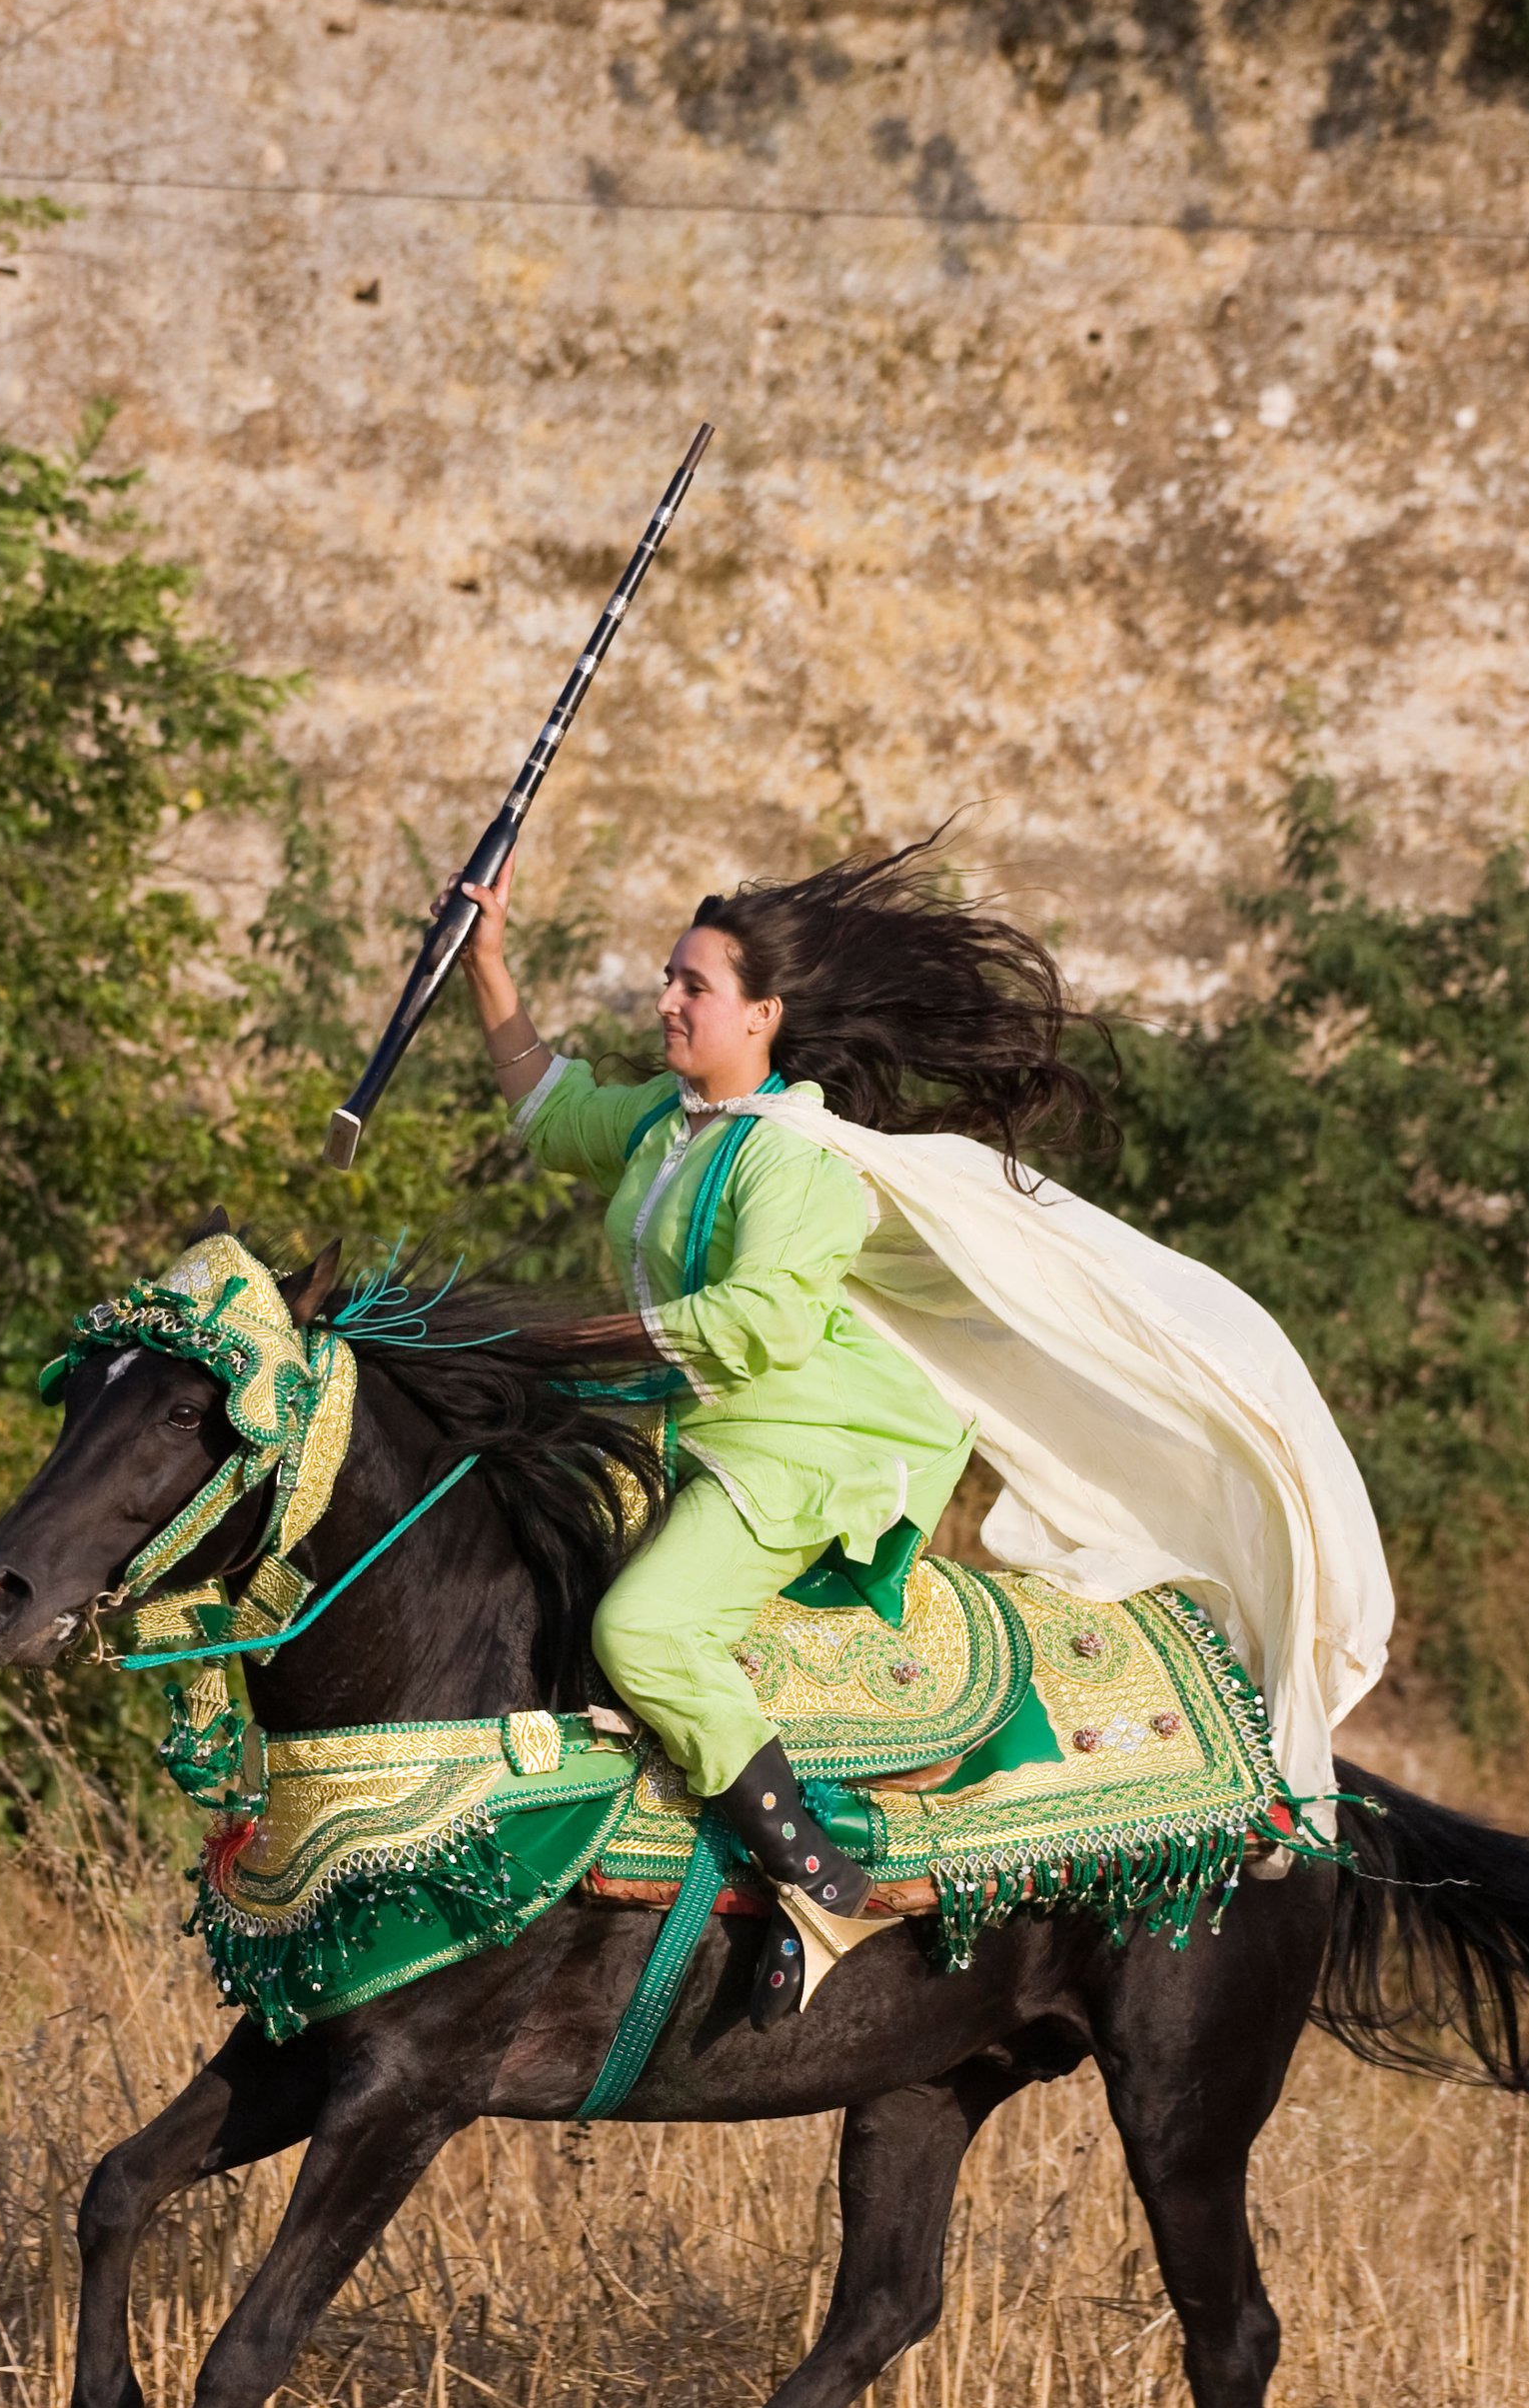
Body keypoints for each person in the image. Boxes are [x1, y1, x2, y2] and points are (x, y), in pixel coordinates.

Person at [456, 840, 1115, 2025]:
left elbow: (763, 1320)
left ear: (763, 1014)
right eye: (668, 978)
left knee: (642, 1630)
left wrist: (574, 1341)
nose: (665, 1000)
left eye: (692, 986)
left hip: (802, 1435)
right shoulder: (670, 1120)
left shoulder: (789, 1153)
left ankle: (821, 1884)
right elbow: (553, 1117)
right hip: (696, 1418)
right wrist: (486, 962)